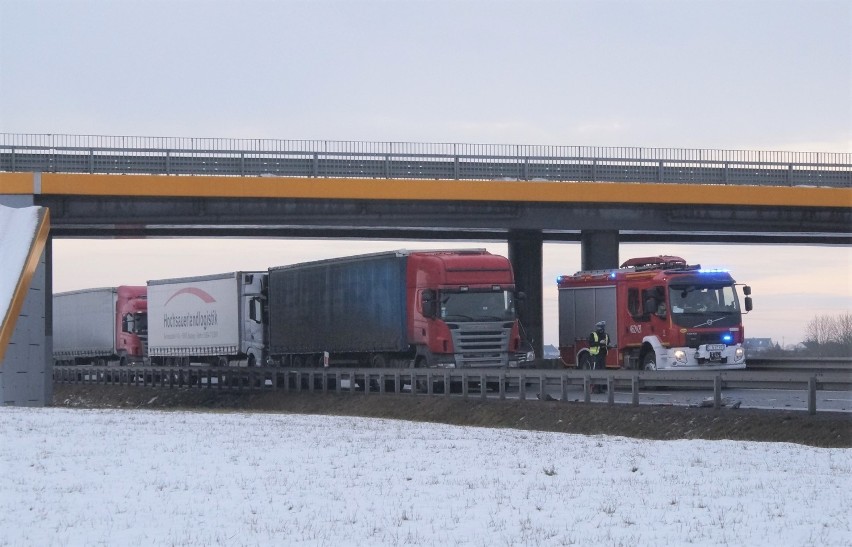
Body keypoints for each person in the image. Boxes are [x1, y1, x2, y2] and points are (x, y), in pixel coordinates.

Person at [588, 321, 609, 393]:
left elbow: (608, 343)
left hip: (602, 355)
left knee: (602, 372)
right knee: (595, 371)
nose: (602, 328)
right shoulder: (593, 334)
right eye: (601, 327)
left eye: (603, 327)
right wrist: (599, 343)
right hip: (595, 355)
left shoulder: (606, 335)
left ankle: (601, 388)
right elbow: (591, 343)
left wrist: (608, 346)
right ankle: (594, 388)